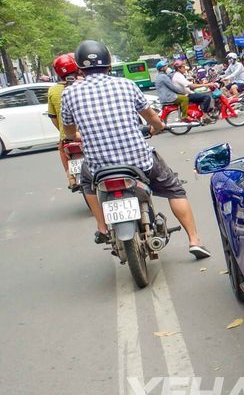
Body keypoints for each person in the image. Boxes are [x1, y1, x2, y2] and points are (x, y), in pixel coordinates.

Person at [60, 40, 210, 258]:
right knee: (175, 189)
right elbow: (152, 118)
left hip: (99, 166)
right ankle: (194, 240)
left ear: (80, 68)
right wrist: (157, 128)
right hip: (139, 161)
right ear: (108, 64)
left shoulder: (69, 94)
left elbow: (69, 132)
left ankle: (102, 227)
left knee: (86, 183)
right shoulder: (126, 85)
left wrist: (78, 135)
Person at [47, 53, 82, 188]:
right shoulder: (82, 85)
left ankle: (71, 178)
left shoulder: (53, 90)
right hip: (86, 134)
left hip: (68, 135)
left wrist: (63, 131)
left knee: (62, 148)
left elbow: (53, 117)